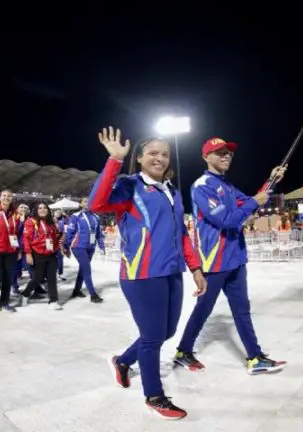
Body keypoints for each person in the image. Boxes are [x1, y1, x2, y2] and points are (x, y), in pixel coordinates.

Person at [90, 127, 206, 420]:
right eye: (153, 153)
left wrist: (195, 268)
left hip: (171, 271)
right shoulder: (129, 187)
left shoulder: (173, 192)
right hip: (141, 274)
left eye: (165, 154)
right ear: (139, 158)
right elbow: (96, 204)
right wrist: (115, 160)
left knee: (165, 332)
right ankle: (154, 396)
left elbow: (182, 235)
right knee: (153, 336)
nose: (160, 158)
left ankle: (123, 361)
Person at [172, 137, 287, 375]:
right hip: (215, 261)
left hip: (235, 259)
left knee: (242, 309)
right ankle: (183, 351)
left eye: (228, 153)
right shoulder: (202, 186)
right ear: (206, 157)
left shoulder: (227, 186)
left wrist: (271, 180)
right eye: (219, 152)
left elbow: (251, 203)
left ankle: (255, 358)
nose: (226, 156)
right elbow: (227, 219)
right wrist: (254, 201)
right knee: (203, 309)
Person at [21, 202, 62, 310]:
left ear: (48, 210)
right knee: (37, 278)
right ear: (36, 210)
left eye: (44, 208)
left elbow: (54, 237)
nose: (42, 209)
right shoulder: (31, 221)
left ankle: (53, 300)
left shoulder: (51, 222)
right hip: (37, 254)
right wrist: (28, 254)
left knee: (52, 277)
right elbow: (26, 239)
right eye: (40, 208)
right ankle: (26, 293)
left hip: (51, 254)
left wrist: (58, 247)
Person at [63, 197, 105, 303]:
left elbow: (99, 234)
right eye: (85, 201)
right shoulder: (76, 216)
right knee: (87, 269)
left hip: (91, 247)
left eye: (90, 201)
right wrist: (66, 247)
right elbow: (70, 233)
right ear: (81, 204)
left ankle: (76, 291)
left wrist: (101, 246)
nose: (88, 203)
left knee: (83, 269)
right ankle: (93, 294)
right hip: (78, 246)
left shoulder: (96, 217)